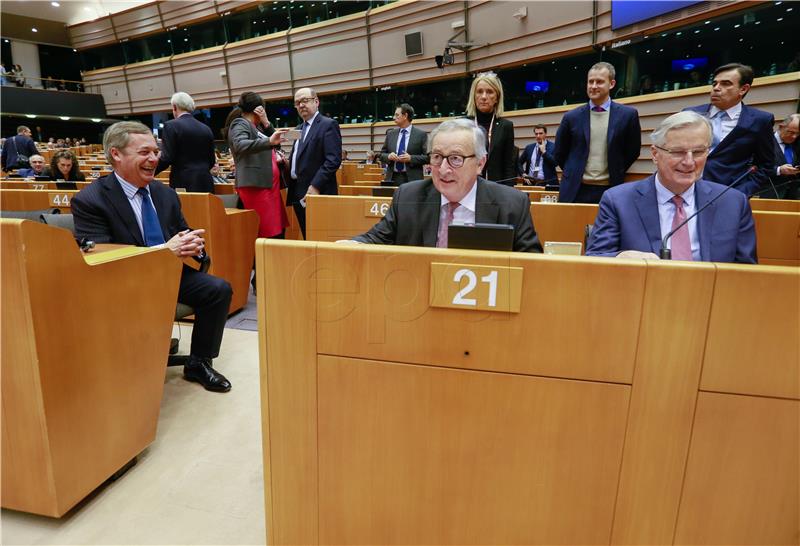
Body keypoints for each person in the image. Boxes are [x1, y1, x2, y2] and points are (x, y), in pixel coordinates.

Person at [71, 121, 233, 393]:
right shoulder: (90, 200)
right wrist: (161, 252)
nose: (154, 159)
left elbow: (181, 231)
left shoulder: (165, 193)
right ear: (116, 154)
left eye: (156, 152)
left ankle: (198, 362)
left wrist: (195, 244)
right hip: (123, 281)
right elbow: (101, 259)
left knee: (218, 290)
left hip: (169, 273)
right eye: (144, 152)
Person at [586, 111, 756, 264]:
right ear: (655, 154)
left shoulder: (733, 203)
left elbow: (747, 273)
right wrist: (620, 257)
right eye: (678, 152)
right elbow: (595, 257)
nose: (689, 162)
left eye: (698, 152)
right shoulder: (618, 201)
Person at [351, 118, 542, 252]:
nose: (443, 169)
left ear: (480, 163)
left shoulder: (512, 204)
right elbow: (373, 240)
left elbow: (532, 265)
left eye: (455, 159)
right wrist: (345, 246)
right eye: (437, 157)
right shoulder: (408, 197)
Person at [554, 62, 641, 203]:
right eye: (590, 82)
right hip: (575, 189)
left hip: (611, 189)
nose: (593, 86)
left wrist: (616, 168)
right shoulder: (571, 117)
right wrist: (574, 171)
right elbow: (559, 152)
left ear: (611, 84)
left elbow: (632, 151)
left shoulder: (628, 115)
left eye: (599, 82)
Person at [683, 63, 774, 197]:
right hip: (684, 191)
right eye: (714, 84)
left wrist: (740, 193)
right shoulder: (689, 114)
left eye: (726, 84)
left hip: (727, 195)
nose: (717, 88)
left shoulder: (760, 120)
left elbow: (766, 166)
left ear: (743, 89)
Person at [226, 91, 290, 240]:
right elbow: (240, 145)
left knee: (276, 229)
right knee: (265, 231)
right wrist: (268, 142)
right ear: (258, 109)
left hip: (267, 185)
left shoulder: (257, 127)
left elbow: (276, 144)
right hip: (256, 187)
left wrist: (266, 122)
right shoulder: (240, 123)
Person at [288, 87, 342, 238]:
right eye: (297, 103)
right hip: (298, 190)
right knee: (307, 235)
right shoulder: (298, 129)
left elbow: (333, 160)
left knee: (321, 237)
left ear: (316, 102)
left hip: (318, 189)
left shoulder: (328, 124)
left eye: (305, 100)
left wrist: (316, 185)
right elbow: (299, 157)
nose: (301, 105)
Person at [155, 92, 217, 193]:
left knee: (185, 209)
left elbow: (167, 158)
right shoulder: (206, 128)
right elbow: (211, 160)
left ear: (174, 107)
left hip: (183, 181)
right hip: (206, 181)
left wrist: (151, 172)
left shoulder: (171, 126)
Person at [465, 72, 517, 185]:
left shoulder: (506, 126)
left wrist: (508, 195)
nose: (484, 97)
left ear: (497, 97)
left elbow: (508, 166)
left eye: (489, 92)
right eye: (479, 92)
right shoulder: (462, 124)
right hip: (466, 189)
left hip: (495, 190)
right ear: (474, 96)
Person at [379, 103, 428, 185]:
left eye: (397, 115)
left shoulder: (421, 135)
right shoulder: (391, 134)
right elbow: (381, 155)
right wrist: (388, 156)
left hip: (413, 179)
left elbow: (428, 157)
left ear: (405, 116)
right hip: (392, 178)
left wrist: (411, 158)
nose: (394, 117)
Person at [769, 113, 799, 199]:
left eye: (798, 134)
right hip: (768, 195)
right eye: (791, 132)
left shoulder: (796, 144)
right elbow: (752, 167)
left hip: (792, 197)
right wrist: (779, 170)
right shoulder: (765, 142)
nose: (794, 136)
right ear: (781, 126)